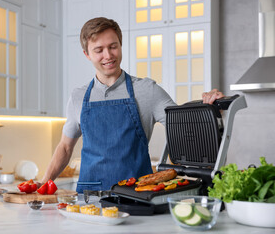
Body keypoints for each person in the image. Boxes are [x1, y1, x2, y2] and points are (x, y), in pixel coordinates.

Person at [40, 17, 224, 193]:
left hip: (138, 194)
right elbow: (65, 147)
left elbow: (183, 127)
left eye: (113, 46)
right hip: (89, 196)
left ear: (120, 45)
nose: (108, 55)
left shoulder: (147, 90)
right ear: (87, 54)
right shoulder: (78, 97)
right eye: (99, 50)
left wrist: (210, 106)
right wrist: (42, 185)